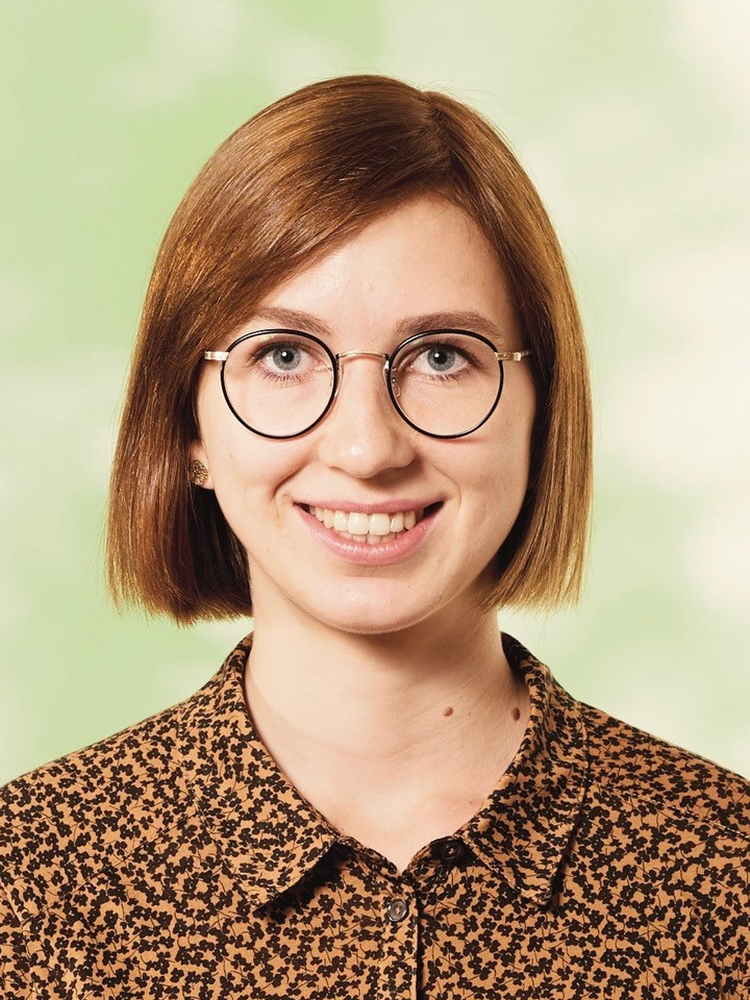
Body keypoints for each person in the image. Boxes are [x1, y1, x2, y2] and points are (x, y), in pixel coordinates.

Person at [0, 74, 747, 998]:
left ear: (542, 411)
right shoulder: (29, 883)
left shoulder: (726, 875)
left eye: (441, 357)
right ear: (188, 428)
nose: (366, 448)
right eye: (282, 356)